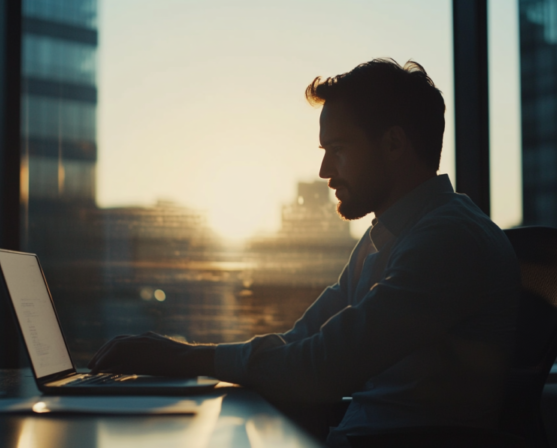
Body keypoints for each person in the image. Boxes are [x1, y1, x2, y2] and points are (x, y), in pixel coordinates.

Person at [89, 58, 521, 447]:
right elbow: (302, 342)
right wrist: (182, 356)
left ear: (393, 144)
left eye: (338, 150)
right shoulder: (385, 238)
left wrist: (180, 357)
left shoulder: (448, 242)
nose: (324, 171)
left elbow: (318, 368)